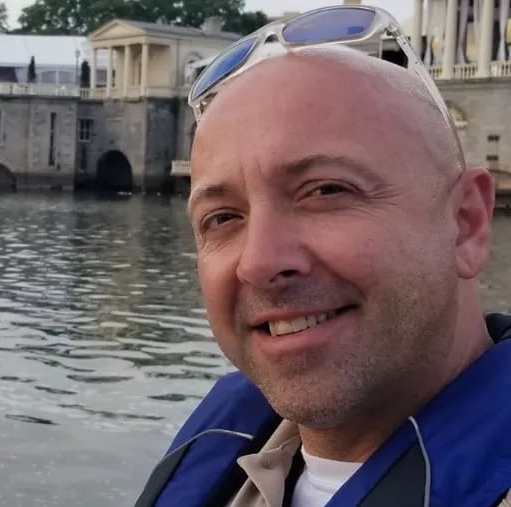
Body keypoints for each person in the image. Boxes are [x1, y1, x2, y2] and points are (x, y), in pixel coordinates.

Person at [134, 5, 511, 507]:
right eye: (222, 218)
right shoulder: (221, 453)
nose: (258, 262)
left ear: (465, 223)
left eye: (327, 190)